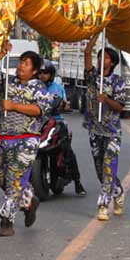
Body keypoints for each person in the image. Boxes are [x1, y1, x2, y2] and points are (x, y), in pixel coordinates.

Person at [0, 50, 51, 236]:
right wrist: (1, 53)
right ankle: (29, 201)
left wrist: (14, 106)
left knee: (14, 180)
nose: (21, 65)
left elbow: (40, 110)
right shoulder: (7, 82)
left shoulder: (39, 87)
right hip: (3, 139)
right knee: (2, 178)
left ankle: (6, 220)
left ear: (34, 70)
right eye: (21, 61)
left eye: (26, 63)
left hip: (27, 139)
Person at [83, 41, 126, 221]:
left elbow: (120, 106)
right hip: (95, 129)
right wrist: (94, 37)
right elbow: (87, 53)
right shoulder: (93, 77)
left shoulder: (118, 82)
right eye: (101, 57)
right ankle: (118, 192)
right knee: (101, 169)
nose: (102, 60)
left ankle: (103, 205)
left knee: (108, 166)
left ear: (113, 63)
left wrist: (106, 99)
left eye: (106, 58)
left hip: (112, 132)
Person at [38, 62, 85, 196]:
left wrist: (64, 106)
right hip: (37, 122)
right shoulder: (33, 87)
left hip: (55, 122)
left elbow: (63, 104)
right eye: (40, 73)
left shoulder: (57, 88)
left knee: (67, 151)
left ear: (51, 74)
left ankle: (78, 182)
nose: (42, 76)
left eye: (45, 73)